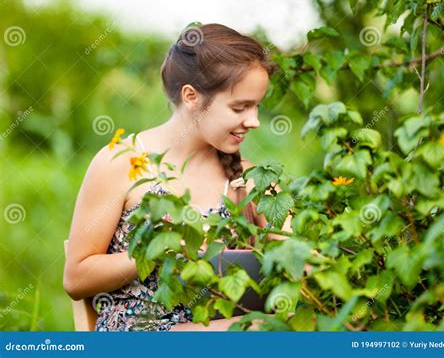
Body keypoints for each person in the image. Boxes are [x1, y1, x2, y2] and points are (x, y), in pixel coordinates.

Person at [63, 23, 291, 331]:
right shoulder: (121, 162)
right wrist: (159, 252)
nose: (254, 121)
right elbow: (77, 277)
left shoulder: (248, 179)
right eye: (240, 107)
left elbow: (298, 263)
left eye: (257, 106)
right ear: (191, 96)